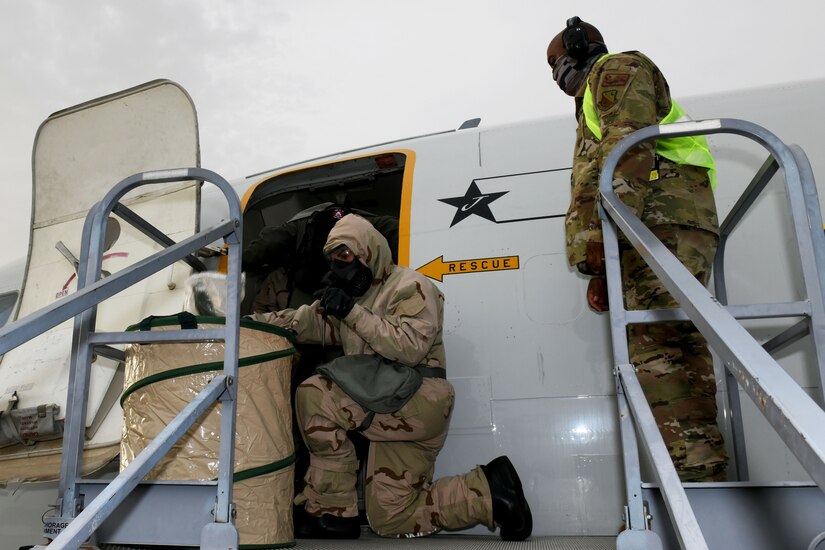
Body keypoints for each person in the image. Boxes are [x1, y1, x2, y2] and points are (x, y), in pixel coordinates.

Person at [251, 213, 532, 539]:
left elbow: (410, 347)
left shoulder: (409, 285)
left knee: (315, 393)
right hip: (388, 404)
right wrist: (243, 322)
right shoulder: (350, 300)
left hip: (417, 399)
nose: (340, 265)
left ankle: (331, 511)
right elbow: (299, 322)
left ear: (368, 249)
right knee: (392, 518)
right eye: (334, 259)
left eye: (345, 254)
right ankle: (491, 493)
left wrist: (351, 312)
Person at [546, 17, 728, 482]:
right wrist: (604, 267)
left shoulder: (617, 70)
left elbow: (626, 153)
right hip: (651, 227)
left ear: (579, 49)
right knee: (671, 344)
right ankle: (702, 474)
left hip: (660, 223)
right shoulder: (595, 95)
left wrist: (600, 244)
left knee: (657, 349)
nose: (556, 76)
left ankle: (696, 481)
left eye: (558, 63)